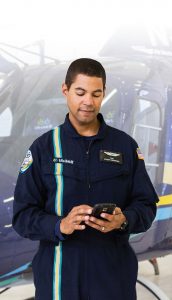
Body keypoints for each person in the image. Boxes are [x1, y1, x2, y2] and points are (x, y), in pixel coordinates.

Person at [13, 58, 159, 300]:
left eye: (96, 93)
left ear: (103, 94)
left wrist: (124, 220)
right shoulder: (44, 149)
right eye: (80, 92)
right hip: (59, 282)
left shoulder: (125, 146)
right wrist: (60, 225)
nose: (88, 102)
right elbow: (22, 216)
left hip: (114, 281)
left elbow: (146, 206)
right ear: (65, 90)